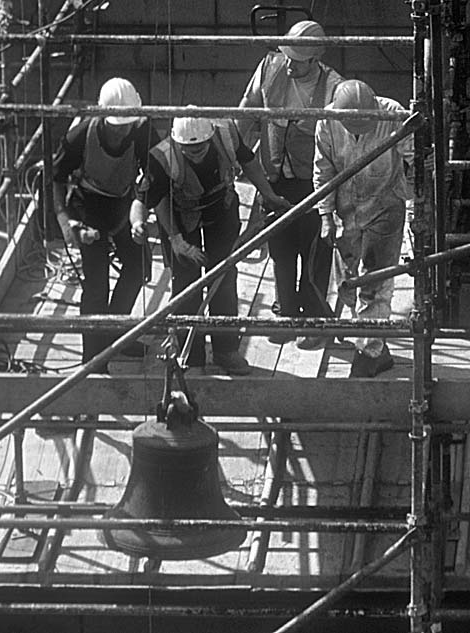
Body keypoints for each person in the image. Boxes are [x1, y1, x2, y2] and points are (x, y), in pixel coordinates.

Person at [130, 113, 290, 375]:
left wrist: (269, 194)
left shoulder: (226, 132)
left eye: (200, 148)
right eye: (188, 149)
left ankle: (226, 350)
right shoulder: (162, 158)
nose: (194, 153)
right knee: (187, 285)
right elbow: (145, 200)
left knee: (224, 278)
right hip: (181, 217)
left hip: (220, 208)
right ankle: (190, 356)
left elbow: (248, 162)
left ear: (210, 137)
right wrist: (161, 234)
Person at [237, 20, 343, 349]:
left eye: (296, 60)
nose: (289, 63)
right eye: (287, 55)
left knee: (313, 251)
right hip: (275, 178)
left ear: (314, 60)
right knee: (281, 249)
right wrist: (234, 154)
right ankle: (287, 315)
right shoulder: (270, 68)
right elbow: (248, 112)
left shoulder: (332, 86)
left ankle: (313, 319)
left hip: (313, 182)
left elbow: (340, 140)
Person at [53, 77, 160, 372]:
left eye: (127, 123)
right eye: (116, 124)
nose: (121, 130)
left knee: (139, 266)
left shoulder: (142, 131)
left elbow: (160, 168)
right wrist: (66, 223)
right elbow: (56, 178)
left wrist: (144, 207)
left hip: (124, 204)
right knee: (96, 285)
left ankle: (115, 335)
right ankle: (94, 359)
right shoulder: (81, 135)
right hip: (89, 207)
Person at [313, 79, 413, 377]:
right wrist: (326, 214)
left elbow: (416, 157)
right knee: (346, 281)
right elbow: (324, 169)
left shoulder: (392, 115)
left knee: (374, 282)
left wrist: (415, 187)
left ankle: (371, 352)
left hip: (385, 204)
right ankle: (367, 333)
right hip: (347, 210)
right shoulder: (328, 123)